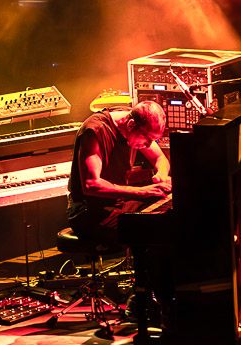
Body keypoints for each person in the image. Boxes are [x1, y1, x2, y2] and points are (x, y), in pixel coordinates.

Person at [66, 98, 170, 245]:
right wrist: (143, 191)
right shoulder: (94, 130)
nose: (148, 145)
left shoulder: (135, 122)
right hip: (89, 212)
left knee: (168, 213)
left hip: (118, 204)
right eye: (147, 139)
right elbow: (91, 185)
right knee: (150, 232)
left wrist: (161, 175)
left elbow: (160, 158)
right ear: (131, 125)